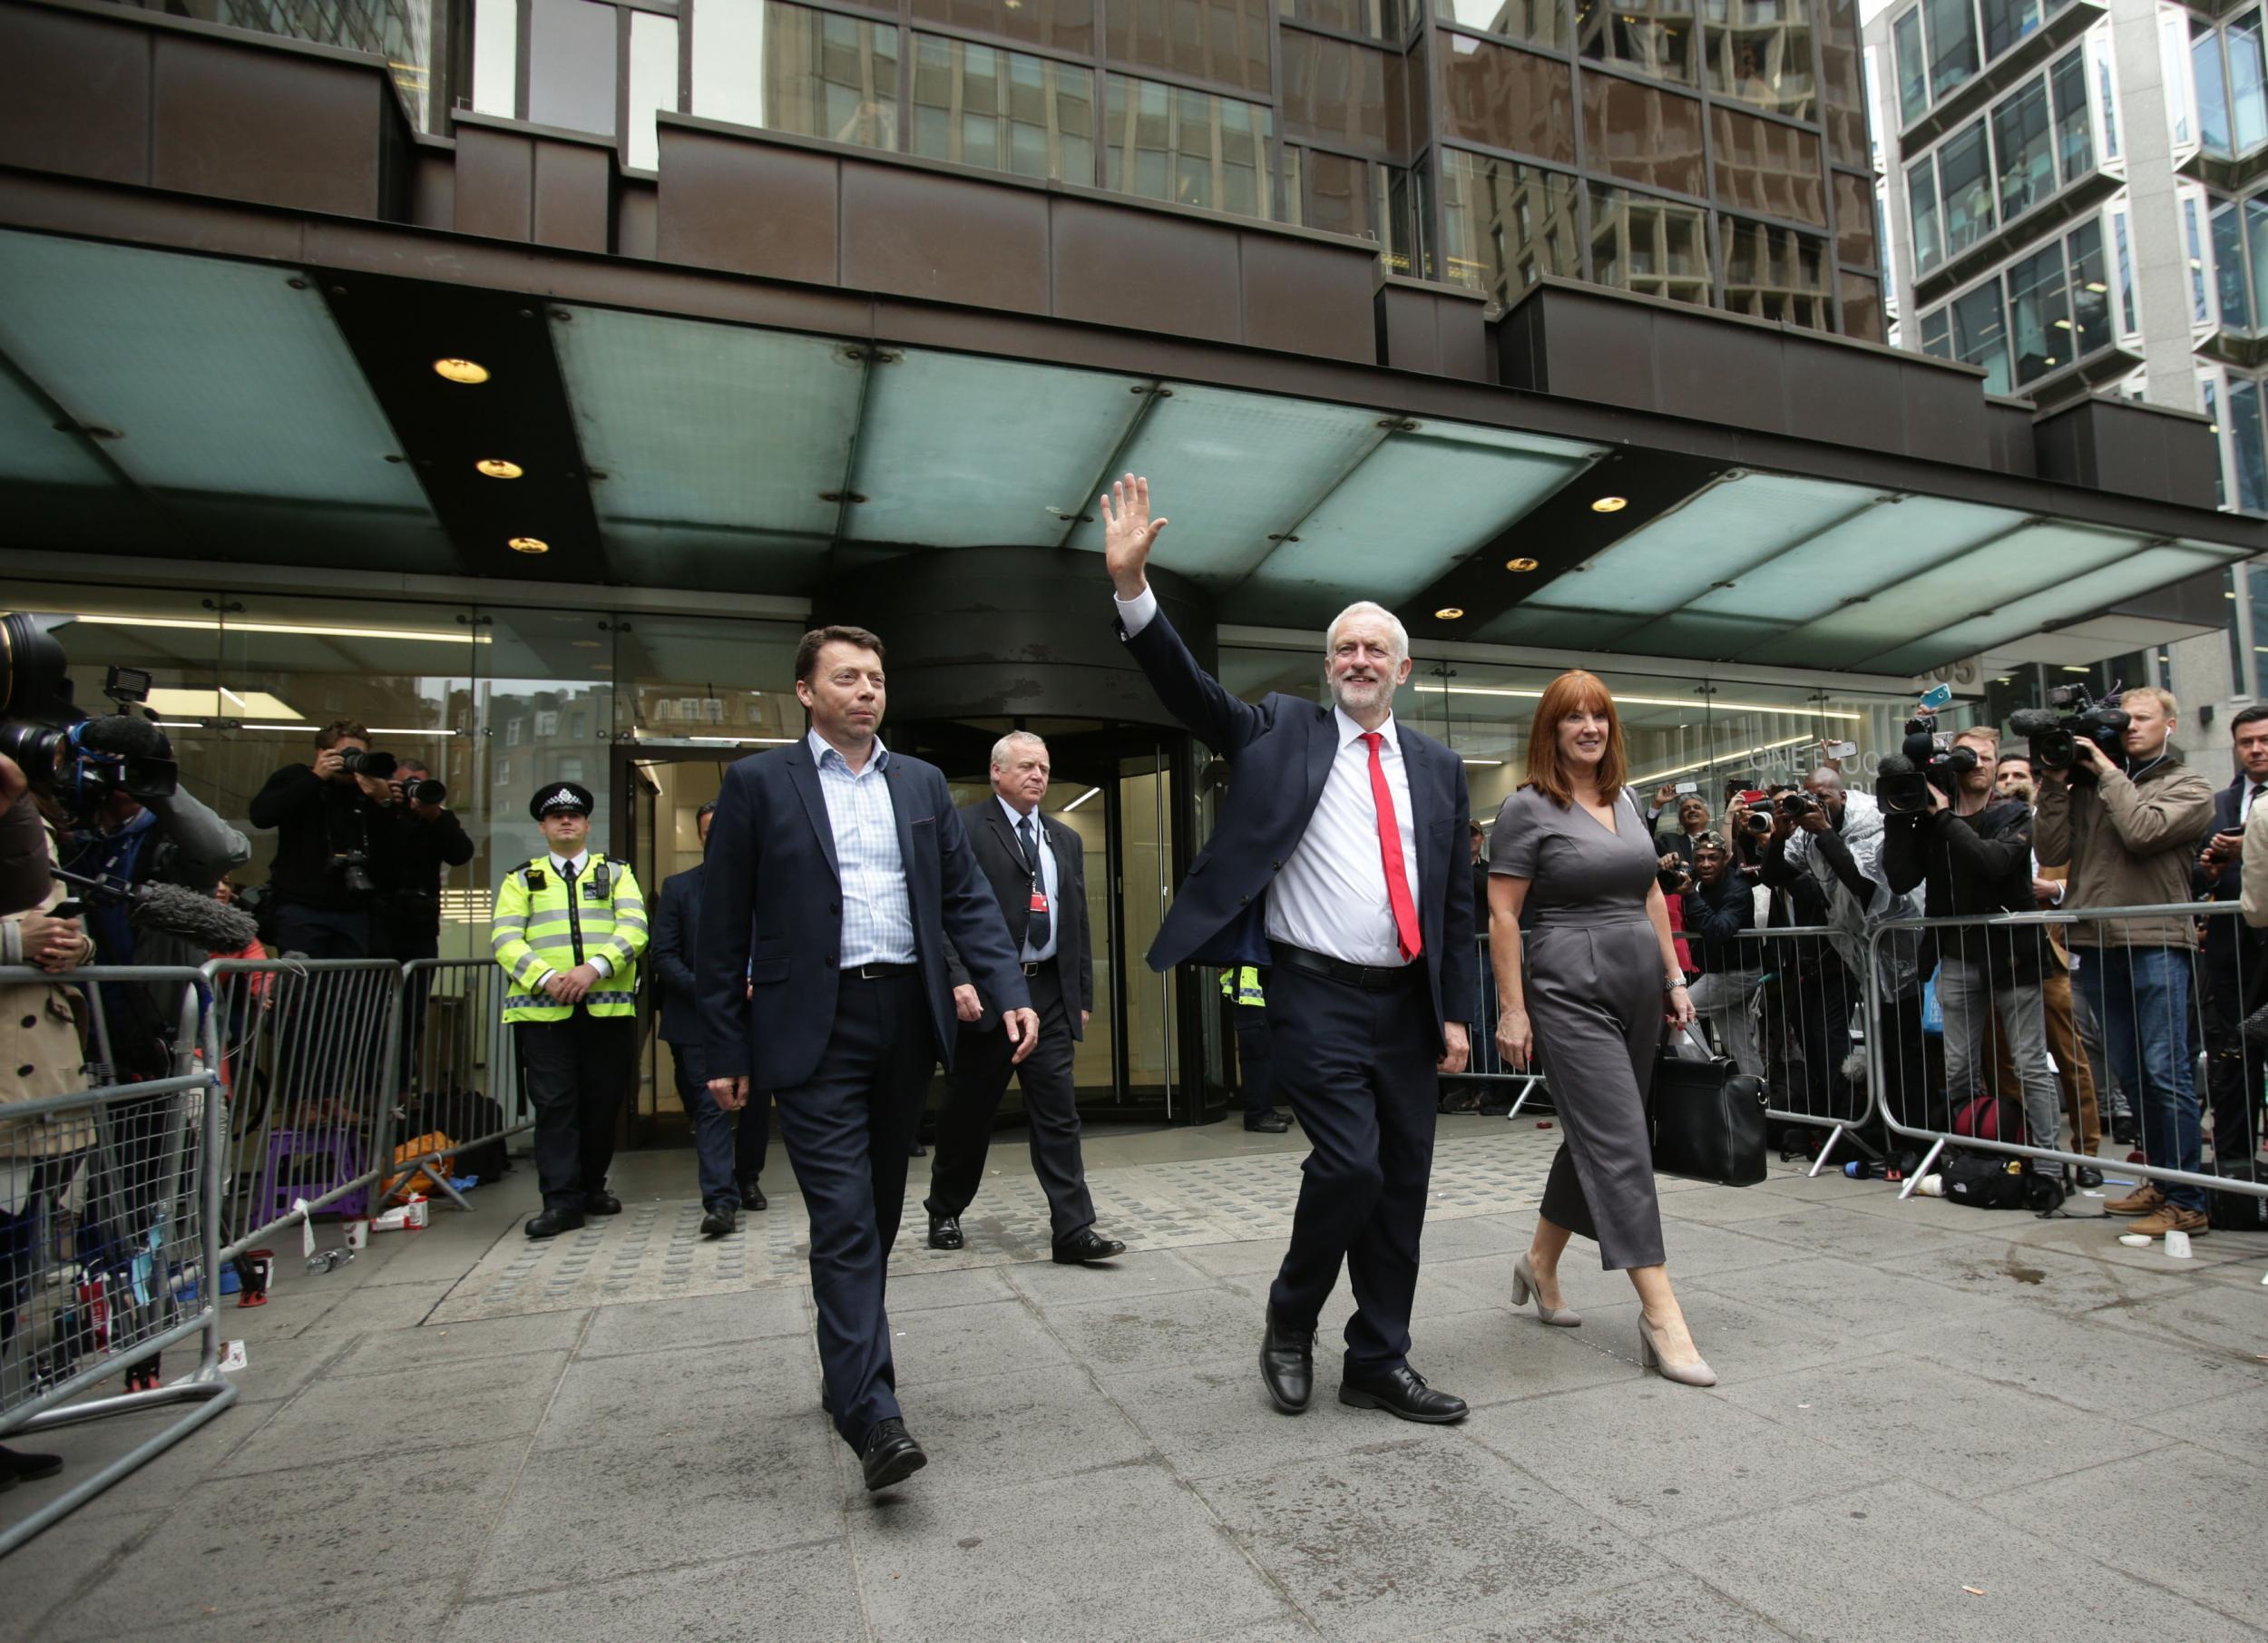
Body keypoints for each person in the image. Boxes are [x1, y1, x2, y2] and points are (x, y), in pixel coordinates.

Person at [1100, 474, 1476, 1426]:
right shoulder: (1277, 728)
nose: (1357, 659)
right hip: (1311, 991)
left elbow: (1454, 895)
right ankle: (1289, 1314)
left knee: (1402, 1185)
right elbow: (1186, 688)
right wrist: (1132, 590)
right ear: (1328, 666)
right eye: (1343, 648)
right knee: (1349, 1165)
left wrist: (1459, 1009)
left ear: (1402, 666)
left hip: (1405, 1003)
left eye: (1373, 649)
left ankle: (1378, 1358)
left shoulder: (1433, 765)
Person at [696, 625, 1039, 1493]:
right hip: (811, 1025)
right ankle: (873, 1414)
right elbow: (720, 923)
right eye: (846, 677)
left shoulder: (919, 782)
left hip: (904, 1020)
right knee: (845, 1218)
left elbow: (963, 898)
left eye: (876, 678)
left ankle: (842, 1364)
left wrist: (1009, 988)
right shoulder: (757, 783)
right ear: (806, 692)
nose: (866, 690)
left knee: (880, 1208)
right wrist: (722, 1047)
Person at [1489, 670, 1713, 1387]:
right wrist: (1513, 1007)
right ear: (1549, 731)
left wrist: (1675, 977)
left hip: (1637, 981)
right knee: (1619, 1137)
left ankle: (1540, 1261)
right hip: (1567, 983)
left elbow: (1649, 890)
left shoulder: (1627, 797)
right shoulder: (1526, 808)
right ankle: (1662, 1314)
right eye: (1573, 718)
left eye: (1600, 716)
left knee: (1607, 1131)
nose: (1589, 727)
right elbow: (1502, 915)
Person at [924, 732, 1124, 1265]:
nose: (1038, 775)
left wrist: (1079, 992)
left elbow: (1077, 921)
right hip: (987, 995)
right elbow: (942, 911)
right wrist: (957, 976)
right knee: (969, 1112)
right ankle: (944, 1207)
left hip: (1049, 992)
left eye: (1045, 767)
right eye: (1027, 766)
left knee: (1058, 1114)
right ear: (996, 772)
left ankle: (1073, 1230)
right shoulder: (965, 827)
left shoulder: (1064, 839)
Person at [2034, 687, 2215, 1239]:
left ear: (2171, 724)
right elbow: (2048, 849)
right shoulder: (2090, 786)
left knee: (2167, 1074)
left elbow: (2143, 832)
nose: (2131, 727)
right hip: (2097, 942)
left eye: (2142, 719)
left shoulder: (2189, 785)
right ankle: (2161, 1181)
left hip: (2156, 942)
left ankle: (2188, 1198)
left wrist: (2108, 770)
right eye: (2123, 720)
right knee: (2134, 1078)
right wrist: (2058, 781)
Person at [1882, 725, 2065, 1195]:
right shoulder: (1933, 818)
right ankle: (1970, 1154)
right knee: (1959, 1065)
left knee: (2029, 1065)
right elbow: (1901, 878)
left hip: (2014, 958)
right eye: (1970, 757)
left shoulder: (2014, 812)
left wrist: (1943, 818)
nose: (1980, 766)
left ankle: (2049, 1167)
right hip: (1959, 955)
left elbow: (1993, 863)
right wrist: (1901, 815)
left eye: (1988, 758)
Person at [490, 782, 650, 1239]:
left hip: (606, 1008)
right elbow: (504, 938)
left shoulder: (616, 873)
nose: (566, 821)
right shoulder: (520, 879)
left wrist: (593, 970)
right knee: (556, 1105)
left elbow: (636, 928)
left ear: (587, 825)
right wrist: (546, 977)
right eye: (556, 817)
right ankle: (561, 1202)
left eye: (574, 816)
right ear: (542, 827)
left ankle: (591, 1187)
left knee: (603, 1104)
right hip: (544, 1014)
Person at [0, 807, 93, 1493]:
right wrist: (10, 938)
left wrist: (72, 946)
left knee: (9, 1263)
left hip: (33, 1083)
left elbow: (63, 917)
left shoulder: (25, 818)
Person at [1986, 752, 2105, 1184]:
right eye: (2004, 775)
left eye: (2019, 774)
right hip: (2001, 956)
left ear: (2034, 782)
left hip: (2051, 956)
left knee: (2068, 1056)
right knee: (2005, 1059)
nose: (2011, 780)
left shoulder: (2055, 826)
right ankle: (2031, 1146)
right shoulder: (1991, 824)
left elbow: (2091, 877)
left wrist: (2053, 889)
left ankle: (2088, 1153)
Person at [651, 800, 767, 1237]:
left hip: (758, 1016)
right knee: (711, 1107)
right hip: (699, 1018)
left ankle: (747, 1180)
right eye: (708, 830)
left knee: (756, 1105)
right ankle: (720, 1201)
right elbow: (663, 956)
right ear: (701, 838)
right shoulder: (679, 889)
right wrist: (718, 991)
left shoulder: (766, 887)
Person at [247, 720, 396, 960]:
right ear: (321, 753)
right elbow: (261, 816)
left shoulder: (367, 791)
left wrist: (385, 802)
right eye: (347, 754)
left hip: (354, 910)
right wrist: (316, 777)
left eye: (360, 756)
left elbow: (392, 849)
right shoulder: (297, 777)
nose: (352, 763)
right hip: (302, 909)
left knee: (349, 990)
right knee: (303, 990)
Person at [2193, 705, 2268, 1169]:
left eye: (2264, 740)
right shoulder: (2219, 803)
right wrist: (2210, 869)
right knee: (2233, 1057)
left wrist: (2256, 846)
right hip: (2230, 950)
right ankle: (2235, 1167)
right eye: (2246, 742)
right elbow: (2196, 879)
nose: (2256, 749)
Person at [1679, 831, 1764, 1077]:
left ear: (1725, 858)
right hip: (1724, 971)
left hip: (1735, 974)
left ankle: (1709, 1076)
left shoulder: (1737, 889)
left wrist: (1690, 895)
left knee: (1682, 1013)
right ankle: (1758, 1097)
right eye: (1700, 858)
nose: (1705, 864)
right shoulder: (1697, 881)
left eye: (1713, 858)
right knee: (1739, 1043)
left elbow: (1718, 931)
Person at [1222, 964, 1290, 1131]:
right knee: (1255, 1055)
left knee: (1264, 1054)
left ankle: (1265, 1109)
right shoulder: (1247, 944)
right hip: (1248, 994)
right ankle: (1257, 1115)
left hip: (1254, 990)